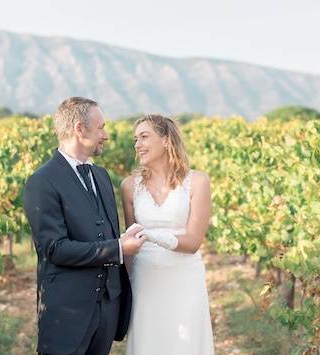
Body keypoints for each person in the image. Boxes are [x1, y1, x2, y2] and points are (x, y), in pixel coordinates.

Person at [24, 97, 146, 355]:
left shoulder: (101, 176)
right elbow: (55, 249)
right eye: (101, 127)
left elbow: (100, 231)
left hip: (106, 309)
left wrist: (122, 239)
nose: (106, 135)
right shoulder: (42, 181)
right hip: (67, 311)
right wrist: (118, 248)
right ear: (80, 129)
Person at [121, 114, 215, 355]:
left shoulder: (197, 182)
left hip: (184, 277)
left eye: (144, 136)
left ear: (165, 140)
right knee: (148, 343)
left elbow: (193, 242)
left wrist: (152, 235)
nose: (137, 144)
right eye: (135, 139)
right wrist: (127, 286)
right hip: (145, 279)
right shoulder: (130, 186)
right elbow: (131, 246)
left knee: (186, 344)